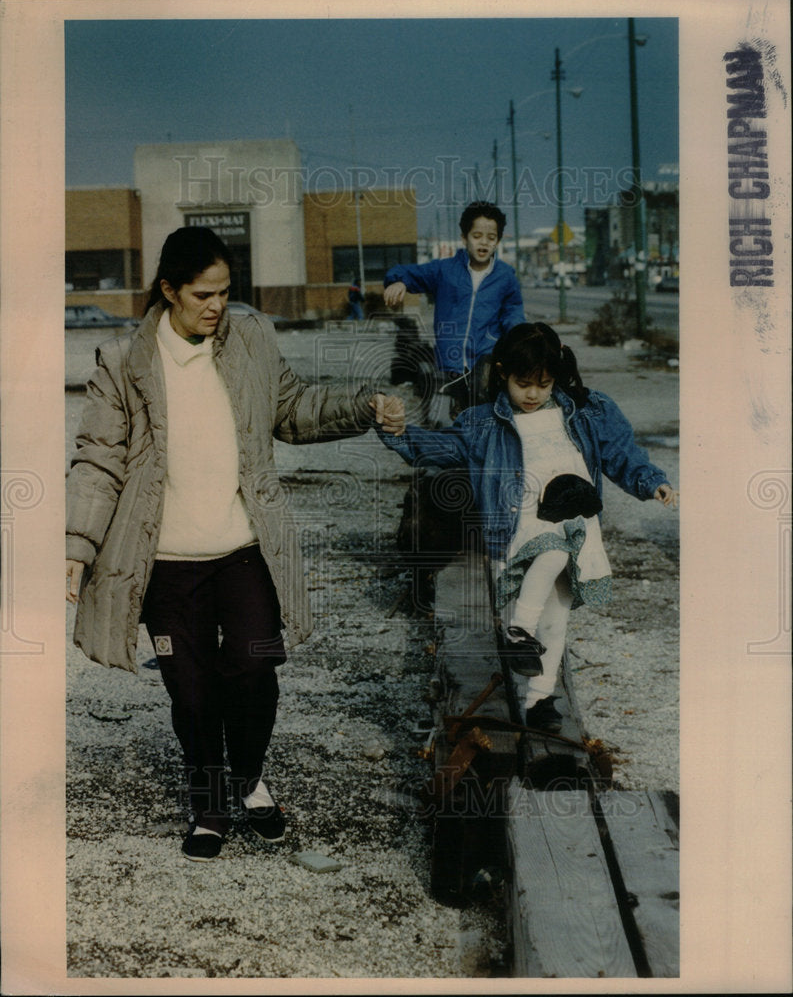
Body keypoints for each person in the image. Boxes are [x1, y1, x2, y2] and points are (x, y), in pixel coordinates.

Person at [65, 226, 404, 862]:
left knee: (254, 671)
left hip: (244, 553)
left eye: (225, 292)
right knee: (190, 695)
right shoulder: (124, 363)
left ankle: (248, 780)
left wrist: (366, 406)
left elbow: (294, 408)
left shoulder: (248, 339)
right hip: (165, 565)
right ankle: (209, 805)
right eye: (202, 295)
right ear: (168, 291)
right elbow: (99, 461)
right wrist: (75, 546)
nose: (217, 306)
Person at [375, 322, 678, 733]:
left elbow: (621, 453)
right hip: (520, 530)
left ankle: (539, 700)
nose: (533, 394)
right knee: (551, 551)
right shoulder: (484, 424)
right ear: (502, 373)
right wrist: (396, 432)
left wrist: (651, 481)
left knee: (556, 620)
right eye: (523, 384)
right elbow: (436, 447)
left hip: (577, 526)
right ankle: (517, 630)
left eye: (544, 384)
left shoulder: (587, 412)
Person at [383, 201, 525, 419]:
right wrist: (399, 282)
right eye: (477, 236)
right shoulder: (445, 270)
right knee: (453, 420)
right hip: (451, 362)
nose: (484, 243)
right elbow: (409, 273)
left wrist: (522, 336)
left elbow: (513, 311)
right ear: (464, 238)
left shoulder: (505, 276)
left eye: (491, 238)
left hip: (486, 358)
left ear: (497, 241)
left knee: (484, 410)